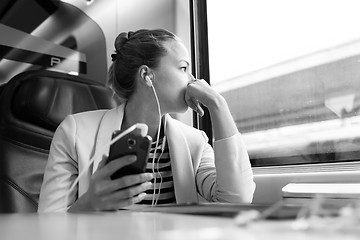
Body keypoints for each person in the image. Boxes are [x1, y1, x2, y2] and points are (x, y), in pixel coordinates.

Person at [38, 29, 256, 212]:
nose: (195, 80)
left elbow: (236, 201)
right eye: (183, 68)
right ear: (146, 75)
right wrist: (89, 205)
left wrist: (218, 105)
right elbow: (44, 229)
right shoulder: (74, 132)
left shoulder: (194, 141)